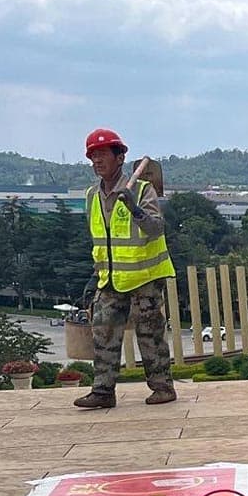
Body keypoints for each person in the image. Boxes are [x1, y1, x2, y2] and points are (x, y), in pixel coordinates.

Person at [74, 128, 177, 409]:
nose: (97, 161)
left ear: (120, 157)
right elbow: (101, 242)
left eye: (102, 154)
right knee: (103, 332)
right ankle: (103, 391)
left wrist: (135, 209)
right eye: (92, 156)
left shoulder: (143, 190)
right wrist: (94, 278)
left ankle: (162, 387)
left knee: (149, 333)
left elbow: (156, 229)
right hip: (110, 278)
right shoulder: (92, 196)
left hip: (144, 277)